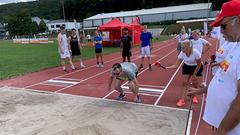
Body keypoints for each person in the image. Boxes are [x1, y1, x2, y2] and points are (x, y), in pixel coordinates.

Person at [188, 0, 240, 134]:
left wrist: (222, 130)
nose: (221, 32)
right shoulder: (235, 46)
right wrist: (203, 90)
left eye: (223, 26)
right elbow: (226, 79)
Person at [166, 40, 203, 107]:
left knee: (195, 82)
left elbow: (199, 65)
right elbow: (176, 65)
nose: (182, 49)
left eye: (183, 47)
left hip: (196, 67)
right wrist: (167, 68)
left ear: (189, 47)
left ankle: (194, 96)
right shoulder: (182, 53)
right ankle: (182, 100)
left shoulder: (196, 53)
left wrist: (194, 75)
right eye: (182, 47)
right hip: (187, 66)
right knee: (184, 82)